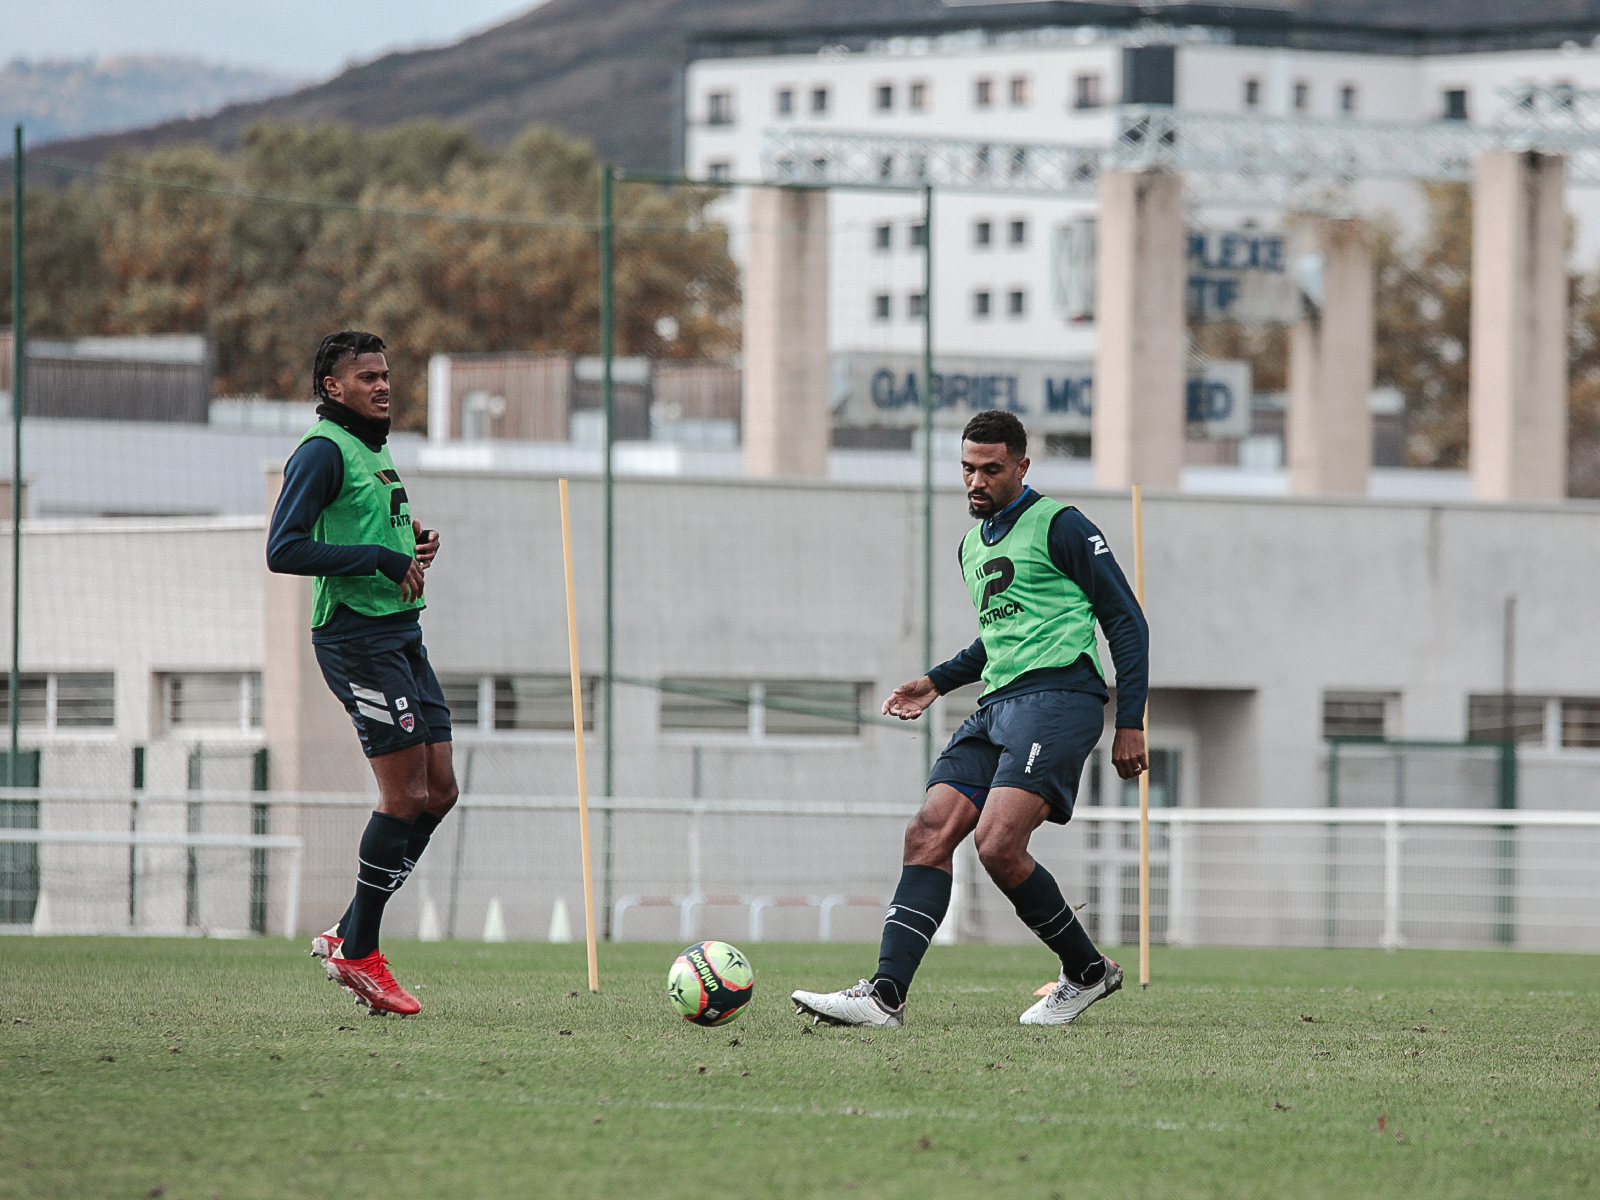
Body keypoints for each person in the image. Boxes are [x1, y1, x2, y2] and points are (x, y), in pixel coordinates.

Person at [792, 408, 1149, 1028]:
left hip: (1060, 700)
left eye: (990, 469)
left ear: (1021, 466)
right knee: (928, 832)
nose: (976, 481)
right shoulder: (969, 546)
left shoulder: (1060, 525)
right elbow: (998, 637)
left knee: (997, 844)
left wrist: (1131, 720)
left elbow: (1125, 619)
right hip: (996, 707)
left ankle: (1084, 973)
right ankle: (885, 997)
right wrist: (935, 681)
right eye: (966, 469)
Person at [266, 330, 458, 1016]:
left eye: (385, 374)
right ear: (332, 388)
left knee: (440, 792)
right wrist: (379, 557)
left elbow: (369, 529)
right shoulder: (322, 450)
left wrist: (413, 543)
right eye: (366, 376)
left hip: (402, 635)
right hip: (356, 638)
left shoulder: (372, 449)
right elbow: (284, 548)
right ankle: (360, 954)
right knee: (403, 796)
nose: (382, 384)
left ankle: (349, 929)